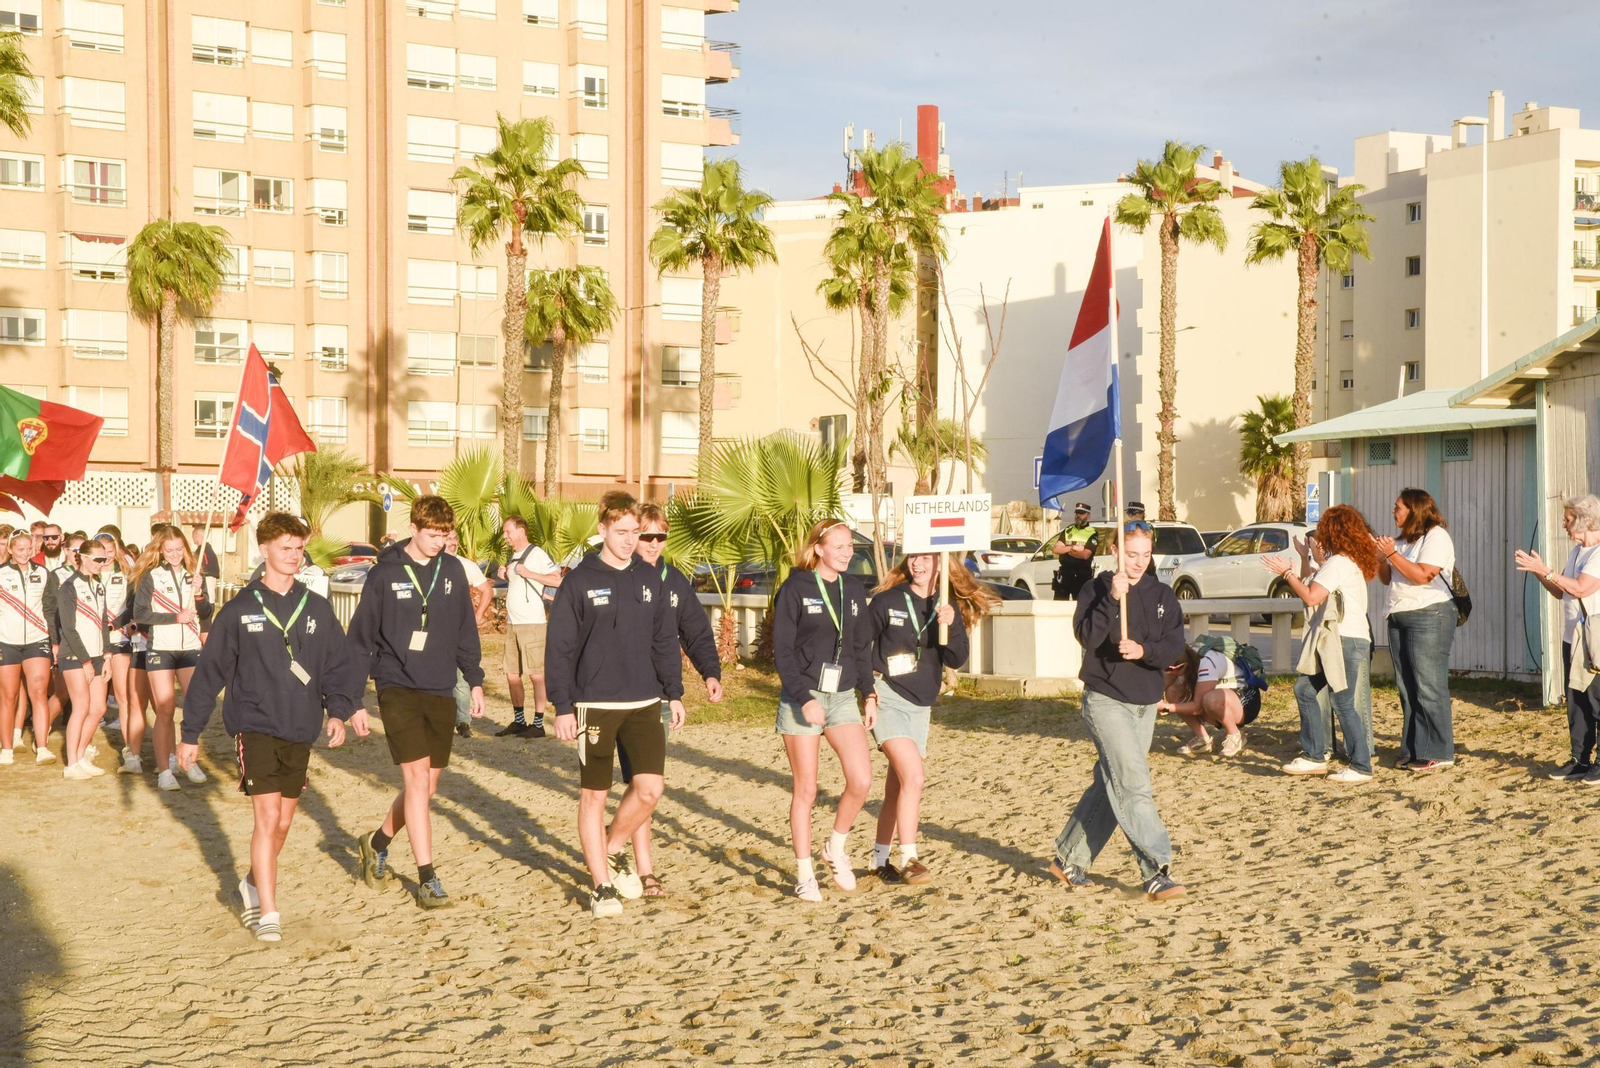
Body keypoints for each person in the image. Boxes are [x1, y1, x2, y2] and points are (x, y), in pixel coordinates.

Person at [180, 513, 368, 942]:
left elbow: (337, 667)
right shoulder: (240, 609)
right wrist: (190, 734)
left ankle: (249, 883)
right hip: (255, 725)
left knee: (283, 822)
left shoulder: (317, 607)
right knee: (266, 818)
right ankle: (268, 912)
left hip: (300, 727)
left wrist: (338, 711)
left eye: (299, 548)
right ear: (263, 550)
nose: (294, 556)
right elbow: (209, 675)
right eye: (285, 548)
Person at [545, 492, 685, 918]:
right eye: (621, 532)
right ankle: (601, 886)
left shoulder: (648, 578)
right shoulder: (579, 580)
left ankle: (609, 847)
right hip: (594, 705)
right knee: (594, 795)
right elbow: (560, 648)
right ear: (602, 530)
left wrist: (674, 692)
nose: (629, 541)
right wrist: (563, 707)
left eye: (634, 533)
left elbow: (664, 640)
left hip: (645, 701)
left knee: (649, 789)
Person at [347, 496, 485, 909]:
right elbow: (360, 639)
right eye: (432, 535)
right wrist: (354, 699)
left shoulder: (453, 570)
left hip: (440, 686)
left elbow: (465, 631)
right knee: (417, 783)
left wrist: (475, 681)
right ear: (414, 526)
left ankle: (376, 842)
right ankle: (428, 878)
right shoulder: (385, 573)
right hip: (396, 685)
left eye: (445, 535)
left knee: (429, 787)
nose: (439, 543)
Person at [1050, 521, 1188, 901]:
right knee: (1132, 784)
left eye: (1145, 554)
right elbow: (1087, 637)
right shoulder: (1096, 589)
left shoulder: (1162, 594)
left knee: (1112, 784)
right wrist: (1111, 598)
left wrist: (1145, 652)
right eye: (1131, 554)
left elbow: (1175, 644)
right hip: (1105, 698)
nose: (1139, 562)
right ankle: (1157, 870)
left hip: (1145, 704)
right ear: (1115, 551)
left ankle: (1068, 857)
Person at [866, 551, 996, 885]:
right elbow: (857, 645)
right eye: (913, 558)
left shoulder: (946, 605)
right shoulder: (888, 601)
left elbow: (957, 657)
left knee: (898, 787)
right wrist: (867, 690)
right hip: (888, 696)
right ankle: (910, 858)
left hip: (921, 704)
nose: (918, 564)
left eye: (926, 558)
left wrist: (950, 624)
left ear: (940, 564)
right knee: (915, 778)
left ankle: (879, 859)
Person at [615, 501, 724, 897]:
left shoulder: (674, 580)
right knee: (629, 784)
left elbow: (695, 631)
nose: (654, 543)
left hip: (659, 695)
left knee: (646, 783)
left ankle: (640, 866)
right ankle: (618, 858)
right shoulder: (617, 576)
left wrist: (710, 672)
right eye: (647, 536)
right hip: (614, 693)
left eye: (661, 537)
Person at [772, 519, 876, 903]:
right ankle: (804, 874)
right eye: (840, 546)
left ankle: (835, 847)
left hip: (844, 696)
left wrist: (869, 694)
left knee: (861, 780)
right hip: (803, 697)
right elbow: (781, 651)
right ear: (818, 548)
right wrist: (804, 697)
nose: (848, 553)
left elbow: (860, 647)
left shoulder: (852, 587)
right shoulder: (796, 587)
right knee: (808, 788)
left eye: (851, 546)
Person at [1266, 506, 1380, 783]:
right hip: (1340, 640)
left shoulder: (1340, 562)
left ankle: (1361, 766)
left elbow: (1311, 597)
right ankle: (1314, 756)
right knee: (1305, 689)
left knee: (1342, 701)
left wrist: (1286, 575)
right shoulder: (1344, 561)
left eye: (1323, 529)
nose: (1318, 535)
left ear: (1333, 532)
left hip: (1344, 641)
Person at [1515, 494, 1600, 784]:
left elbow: (1580, 588)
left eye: (1567, 519)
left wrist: (1546, 571)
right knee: (1577, 702)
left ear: (1584, 520)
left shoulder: (1599, 553)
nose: (1563, 525)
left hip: (1594, 641)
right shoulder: (1577, 552)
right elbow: (1560, 590)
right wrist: (1541, 573)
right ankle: (1580, 760)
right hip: (1572, 638)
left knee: (1596, 698)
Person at [1375, 489, 1458, 772]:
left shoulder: (1436, 536)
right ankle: (1413, 748)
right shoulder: (1402, 541)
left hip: (1429, 614)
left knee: (1429, 686)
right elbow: (1387, 579)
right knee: (1407, 687)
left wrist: (1391, 554)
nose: (1393, 511)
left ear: (1414, 510)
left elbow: (1423, 575)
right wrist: (1379, 557)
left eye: (1398, 507)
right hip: (1398, 615)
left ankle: (1439, 751)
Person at [131, 525, 213, 790]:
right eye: (169, 550)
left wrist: (199, 593)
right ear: (161, 551)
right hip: (161, 649)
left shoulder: (195, 574)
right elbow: (141, 614)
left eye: (179, 549)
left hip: (189, 648)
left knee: (193, 707)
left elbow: (207, 611)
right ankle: (165, 770)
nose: (175, 554)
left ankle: (187, 760)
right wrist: (175, 618)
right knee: (165, 709)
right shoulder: (150, 576)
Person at [497, 515, 561, 737]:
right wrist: (505, 573)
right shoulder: (514, 556)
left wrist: (530, 573)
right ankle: (519, 720)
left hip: (532, 623)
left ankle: (538, 723)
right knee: (512, 673)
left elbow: (557, 580)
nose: (505, 536)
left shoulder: (537, 554)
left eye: (508, 531)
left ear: (521, 530)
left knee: (536, 675)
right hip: (513, 623)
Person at [0, 530, 59, 765]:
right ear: (10, 549)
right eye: (20, 549)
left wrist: (54, 641)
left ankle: (42, 746)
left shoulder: (43, 574)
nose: (25, 553)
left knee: (38, 693)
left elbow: (50, 609)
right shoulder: (1, 573)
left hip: (37, 640)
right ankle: (6, 749)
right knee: (8, 696)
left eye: (28, 549)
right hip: (7, 641)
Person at [55, 543, 113, 779]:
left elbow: (103, 622)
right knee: (80, 708)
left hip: (98, 655)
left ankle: (80, 756)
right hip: (75, 655)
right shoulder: (69, 587)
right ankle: (71, 764)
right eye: (98, 559)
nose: (102, 563)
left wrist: (107, 655)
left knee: (98, 708)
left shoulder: (99, 585)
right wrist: (86, 661)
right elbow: (68, 628)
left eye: (104, 559)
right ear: (84, 558)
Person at [1159, 639, 1264, 757]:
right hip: (1223, 697)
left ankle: (1235, 736)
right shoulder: (1185, 657)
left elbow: (1197, 708)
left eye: (1168, 669)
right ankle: (1203, 739)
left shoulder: (1206, 663)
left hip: (1246, 700)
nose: (1165, 672)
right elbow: (1160, 687)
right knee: (1173, 691)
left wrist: (1165, 707)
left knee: (1211, 699)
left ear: (1183, 666)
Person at [96, 532, 144, 774]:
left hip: (120, 639)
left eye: (110, 548)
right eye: (102, 549)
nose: (106, 554)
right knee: (94, 700)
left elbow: (132, 607)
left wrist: (115, 623)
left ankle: (130, 750)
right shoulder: (88, 575)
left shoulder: (127, 573)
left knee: (124, 697)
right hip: (93, 642)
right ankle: (82, 749)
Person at [444, 529, 492, 740]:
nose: (452, 543)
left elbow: (487, 590)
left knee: (462, 679)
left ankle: (463, 721)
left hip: (460, 632)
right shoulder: (430, 565)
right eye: (448, 539)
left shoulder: (465, 565)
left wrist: (477, 615)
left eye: (455, 539)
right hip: (436, 633)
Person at [1051, 503, 1099, 602]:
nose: (1078, 516)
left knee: (1081, 605)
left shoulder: (1092, 533)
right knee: (1059, 605)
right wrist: (1072, 548)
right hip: (1065, 573)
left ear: (1088, 516)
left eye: (1081, 513)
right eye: (1077, 513)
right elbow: (1056, 549)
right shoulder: (1068, 530)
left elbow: (1085, 555)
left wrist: (1066, 550)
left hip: (1082, 574)